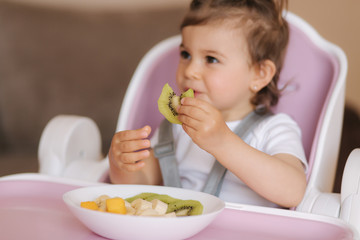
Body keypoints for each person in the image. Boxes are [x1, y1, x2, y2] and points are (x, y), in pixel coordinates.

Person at [108, 0, 308, 208]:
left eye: (211, 59)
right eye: (186, 54)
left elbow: (293, 192)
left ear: (260, 74)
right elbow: (140, 183)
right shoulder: (177, 127)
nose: (190, 71)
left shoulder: (274, 129)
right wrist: (121, 164)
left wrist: (222, 142)